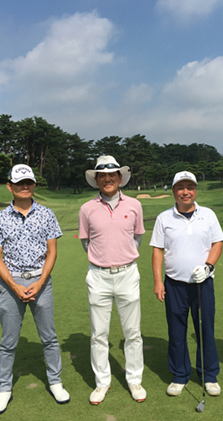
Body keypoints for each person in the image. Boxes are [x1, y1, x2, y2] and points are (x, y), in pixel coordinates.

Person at [0, 164, 70, 415]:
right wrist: (14, 286)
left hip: (40, 282)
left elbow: (52, 252)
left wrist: (40, 282)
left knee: (49, 337)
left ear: (33, 185)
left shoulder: (46, 214)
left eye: (29, 182)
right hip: (10, 284)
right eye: (19, 183)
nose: (25, 186)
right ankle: (4, 389)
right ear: (9, 186)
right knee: (8, 341)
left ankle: (55, 382)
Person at [150, 171, 223, 397]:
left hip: (203, 284)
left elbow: (217, 243)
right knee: (176, 331)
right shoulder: (164, 218)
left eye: (190, 187)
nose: (186, 192)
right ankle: (179, 375)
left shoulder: (208, 215)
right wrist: (158, 281)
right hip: (174, 284)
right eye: (181, 188)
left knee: (205, 330)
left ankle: (209, 375)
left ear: (195, 190)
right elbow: (157, 250)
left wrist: (208, 266)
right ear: (174, 191)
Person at [78, 155, 147, 405]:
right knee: (99, 333)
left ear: (120, 178)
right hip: (98, 276)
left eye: (112, 175)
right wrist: (104, 260)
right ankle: (102, 382)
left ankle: (134, 379)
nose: (107, 179)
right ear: (96, 180)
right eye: (102, 176)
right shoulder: (87, 209)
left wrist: (122, 258)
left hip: (128, 273)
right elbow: (86, 243)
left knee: (132, 332)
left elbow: (137, 238)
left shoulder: (134, 205)